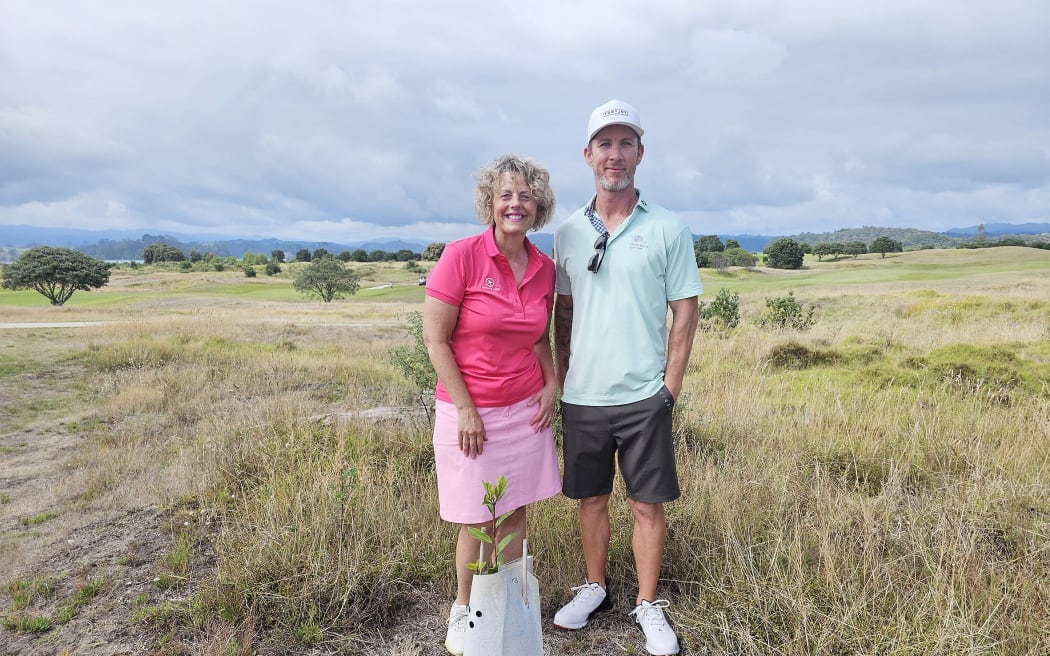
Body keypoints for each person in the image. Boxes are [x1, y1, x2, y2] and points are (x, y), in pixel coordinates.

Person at [551, 100, 702, 656]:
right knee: (590, 499)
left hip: (644, 394)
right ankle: (594, 587)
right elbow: (562, 313)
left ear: (640, 153)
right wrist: (565, 378)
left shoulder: (667, 227)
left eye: (626, 144)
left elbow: (685, 310)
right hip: (583, 396)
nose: (615, 155)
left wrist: (670, 387)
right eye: (605, 144)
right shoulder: (567, 232)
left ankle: (646, 604)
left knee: (646, 504)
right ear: (587, 155)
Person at [423, 154, 561, 655]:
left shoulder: (544, 268)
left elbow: (539, 339)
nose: (515, 204)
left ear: (538, 205)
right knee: (478, 518)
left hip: (525, 410)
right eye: (506, 195)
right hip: (471, 414)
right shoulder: (461, 256)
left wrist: (552, 385)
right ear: (490, 203)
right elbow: (436, 340)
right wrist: (465, 408)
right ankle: (465, 609)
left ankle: (506, 601)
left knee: (516, 511)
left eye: (525, 195)